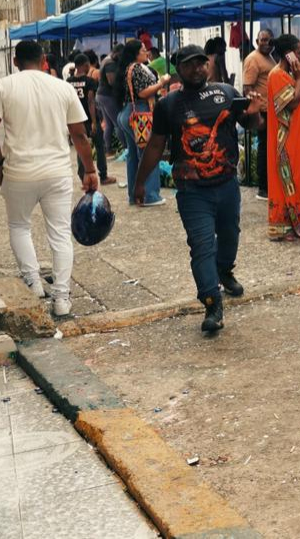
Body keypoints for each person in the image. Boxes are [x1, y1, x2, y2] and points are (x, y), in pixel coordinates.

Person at [133, 46, 264, 334]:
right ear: (178, 69)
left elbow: (252, 124)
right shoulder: (168, 105)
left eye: (200, 64)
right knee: (202, 245)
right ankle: (212, 303)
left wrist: (254, 113)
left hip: (227, 184)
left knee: (230, 235)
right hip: (192, 191)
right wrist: (140, 182)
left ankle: (225, 271)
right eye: (189, 65)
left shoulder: (227, 93)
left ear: (208, 65)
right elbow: (156, 145)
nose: (196, 69)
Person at [0, 40, 99, 317]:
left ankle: (33, 284)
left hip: (18, 172)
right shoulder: (62, 87)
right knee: (60, 234)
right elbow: (79, 135)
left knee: (19, 226)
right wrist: (90, 170)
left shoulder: (2, 86)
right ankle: (62, 299)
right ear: (44, 61)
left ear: (15, 61)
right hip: (56, 172)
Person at [266, 34, 300, 241]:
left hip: (299, 135)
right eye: (298, 52)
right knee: (291, 178)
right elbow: (293, 102)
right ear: (288, 54)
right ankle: (287, 225)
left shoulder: (286, 74)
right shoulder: (277, 74)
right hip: (287, 139)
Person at [116, 38, 170, 207]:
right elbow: (142, 92)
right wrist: (161, 83)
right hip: (140, 113)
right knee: (148, 154)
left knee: (133, 155)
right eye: (143, 50)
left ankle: (135, 195)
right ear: (135, 54)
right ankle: (150, 195)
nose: (146, 52)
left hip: (128, 113)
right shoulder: (138, 68)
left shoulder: (128, 68)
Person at [66, 53, 113, 185]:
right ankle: (103, 176)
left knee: (80, 146)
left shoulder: (69, 82)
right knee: (99, 146)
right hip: (89, 119)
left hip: (75, 120)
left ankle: (83, 175)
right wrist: (93, 122)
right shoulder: (90, 81)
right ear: (86, 65)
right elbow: (91, 101)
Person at [242, 28, 277, 199]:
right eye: (262, 40)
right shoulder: (253, 59)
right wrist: (253, 113)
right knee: (264, 148)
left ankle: (269, 184)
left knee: (270, 148)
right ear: (256, 41)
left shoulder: (269, 57)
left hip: (271, 109)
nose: (265, 43)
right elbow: (247, 88)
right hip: (262, 111)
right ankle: (263, 188)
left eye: (268, 40)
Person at [96, 43, 123, 158]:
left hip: (102, 95)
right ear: (116, 53)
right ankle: (125, 148)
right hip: (107, 96)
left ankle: (107, 150)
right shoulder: (110, 62)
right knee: (118, 123)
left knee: (109, 125)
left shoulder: (106, 60)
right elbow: (112, 81)